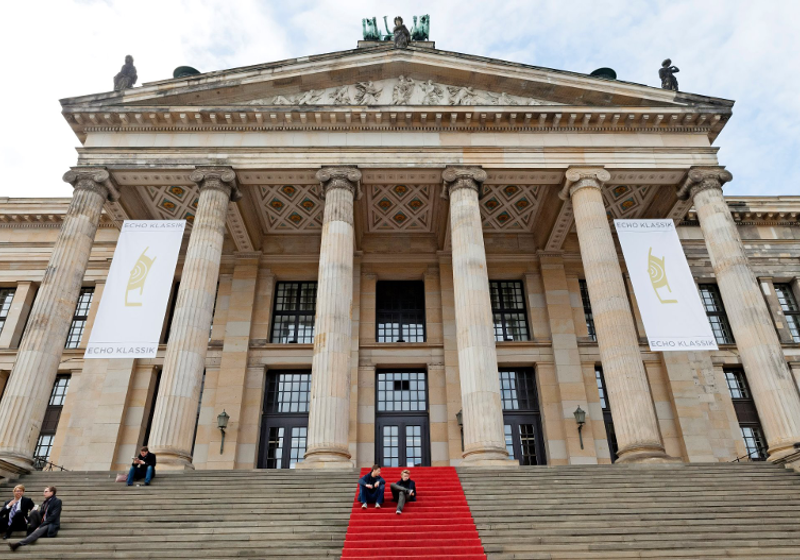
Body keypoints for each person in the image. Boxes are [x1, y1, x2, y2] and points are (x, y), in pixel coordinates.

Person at [7, 486, 60, 551]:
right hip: (42, 522)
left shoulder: (57, 501)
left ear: (52, 492)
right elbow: (41, 513)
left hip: (50, 524)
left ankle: (18, 544)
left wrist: (40, 526)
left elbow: (53, 516)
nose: (44, 493)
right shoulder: (45, 502)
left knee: (38, 531)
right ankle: (33, 527)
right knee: (33, 512)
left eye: (46, 491)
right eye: (44, 491)